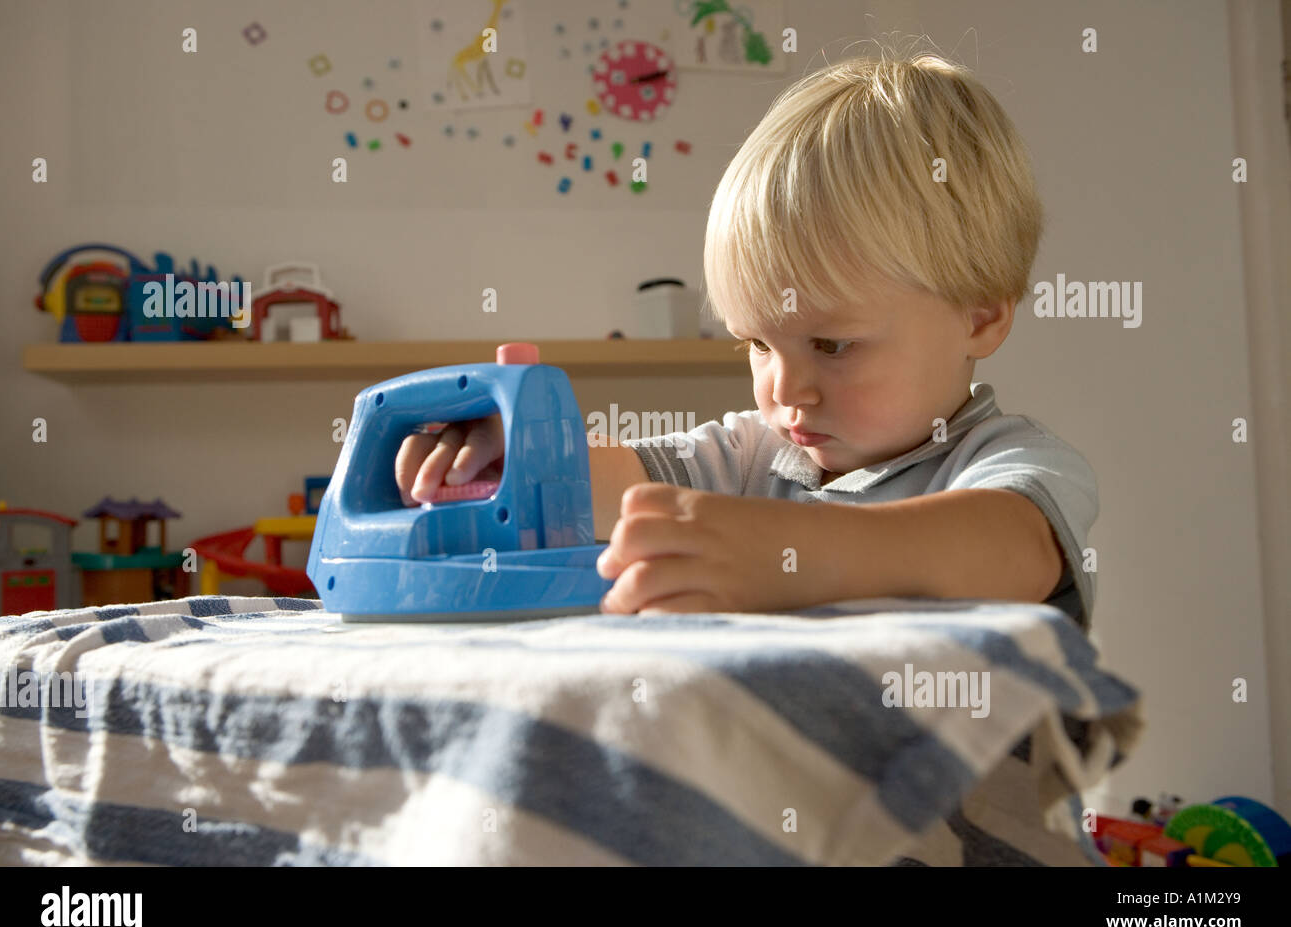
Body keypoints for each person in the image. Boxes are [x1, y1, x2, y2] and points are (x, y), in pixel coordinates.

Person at [395, 46, 1096, 628]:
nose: (784, 390)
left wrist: (787, 553)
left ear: (979, 316)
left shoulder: (1008, 463)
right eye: (758, 345)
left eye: (831, 344)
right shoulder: (749, 458)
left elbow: (1015, 548)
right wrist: (514, 455)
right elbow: (619, 485)